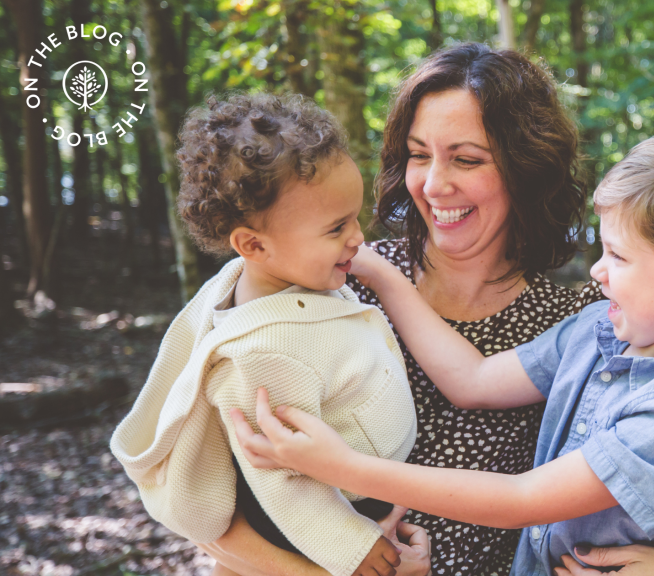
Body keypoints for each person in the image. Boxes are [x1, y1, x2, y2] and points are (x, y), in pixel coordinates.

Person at [197, 44, 654, 576]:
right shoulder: (329, 280)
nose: (434, 183)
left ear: (523, 169)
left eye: (467, 159)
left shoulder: (592, 319)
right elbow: (210, 492)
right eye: (419, 155)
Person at [110, 93, 426, 576]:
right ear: (254, 244)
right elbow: (280, 478)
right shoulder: (262, 352)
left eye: (356, 218)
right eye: (337, 227)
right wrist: (352, 547)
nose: (358, 237)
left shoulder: (297, 276)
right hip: (313, 532)